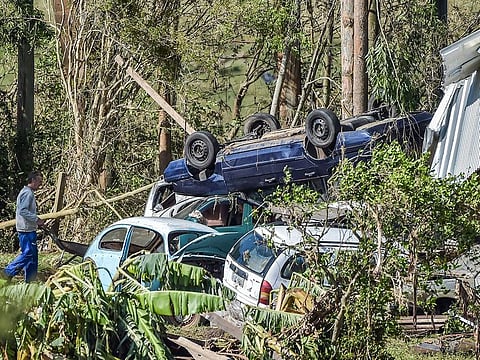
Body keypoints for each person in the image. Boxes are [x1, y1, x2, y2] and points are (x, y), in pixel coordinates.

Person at [3, 171, 45, 282]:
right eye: (39, 181)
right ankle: (7, 272)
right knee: (28, 254)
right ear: (33, 180)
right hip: (26, 230)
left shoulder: (27, 192)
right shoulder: (28, 193)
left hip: (29, 228)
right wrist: (37, 220)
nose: (40, 184)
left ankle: (30, 281)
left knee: (33, 257)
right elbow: (23, 211)